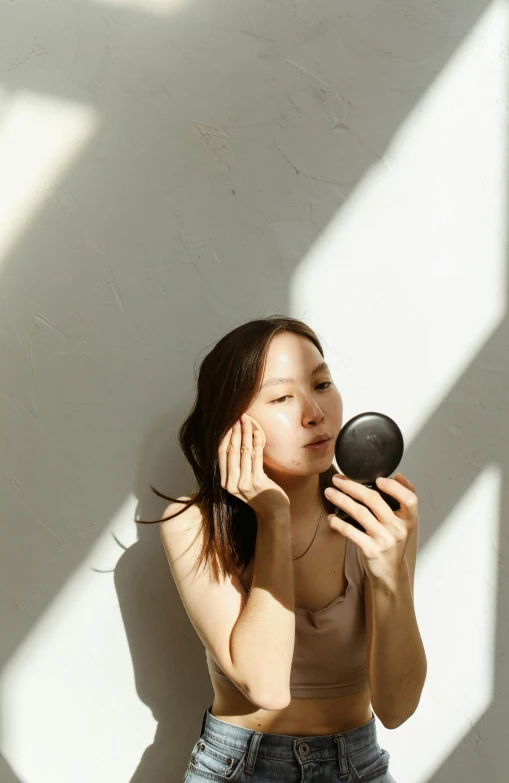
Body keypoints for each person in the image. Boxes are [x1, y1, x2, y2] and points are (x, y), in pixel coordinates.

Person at [138, 315, 426, 782]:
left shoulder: (380, 513)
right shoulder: (193, 522)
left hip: (360, 764)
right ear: (234, 424)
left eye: (322, 384)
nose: (314, 412)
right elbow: (266, 686)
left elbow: (397, 707)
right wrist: (272, 516)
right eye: (281, 397)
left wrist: (390, 572)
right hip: (240, 767)